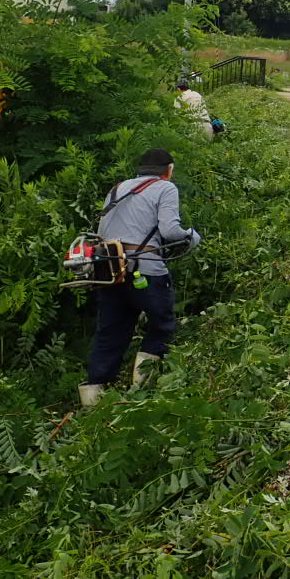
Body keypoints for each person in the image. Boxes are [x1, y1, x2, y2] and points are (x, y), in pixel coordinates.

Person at [79, 148, 202, 406]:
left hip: (111, 271)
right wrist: (191, 236)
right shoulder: (166, 188)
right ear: (168, 170)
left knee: (110, 333)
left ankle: (92, 405)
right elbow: (170, 231)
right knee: (162, 323)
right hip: (146, 270)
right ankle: (141, 394)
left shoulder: (117, 189)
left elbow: (103, 231)